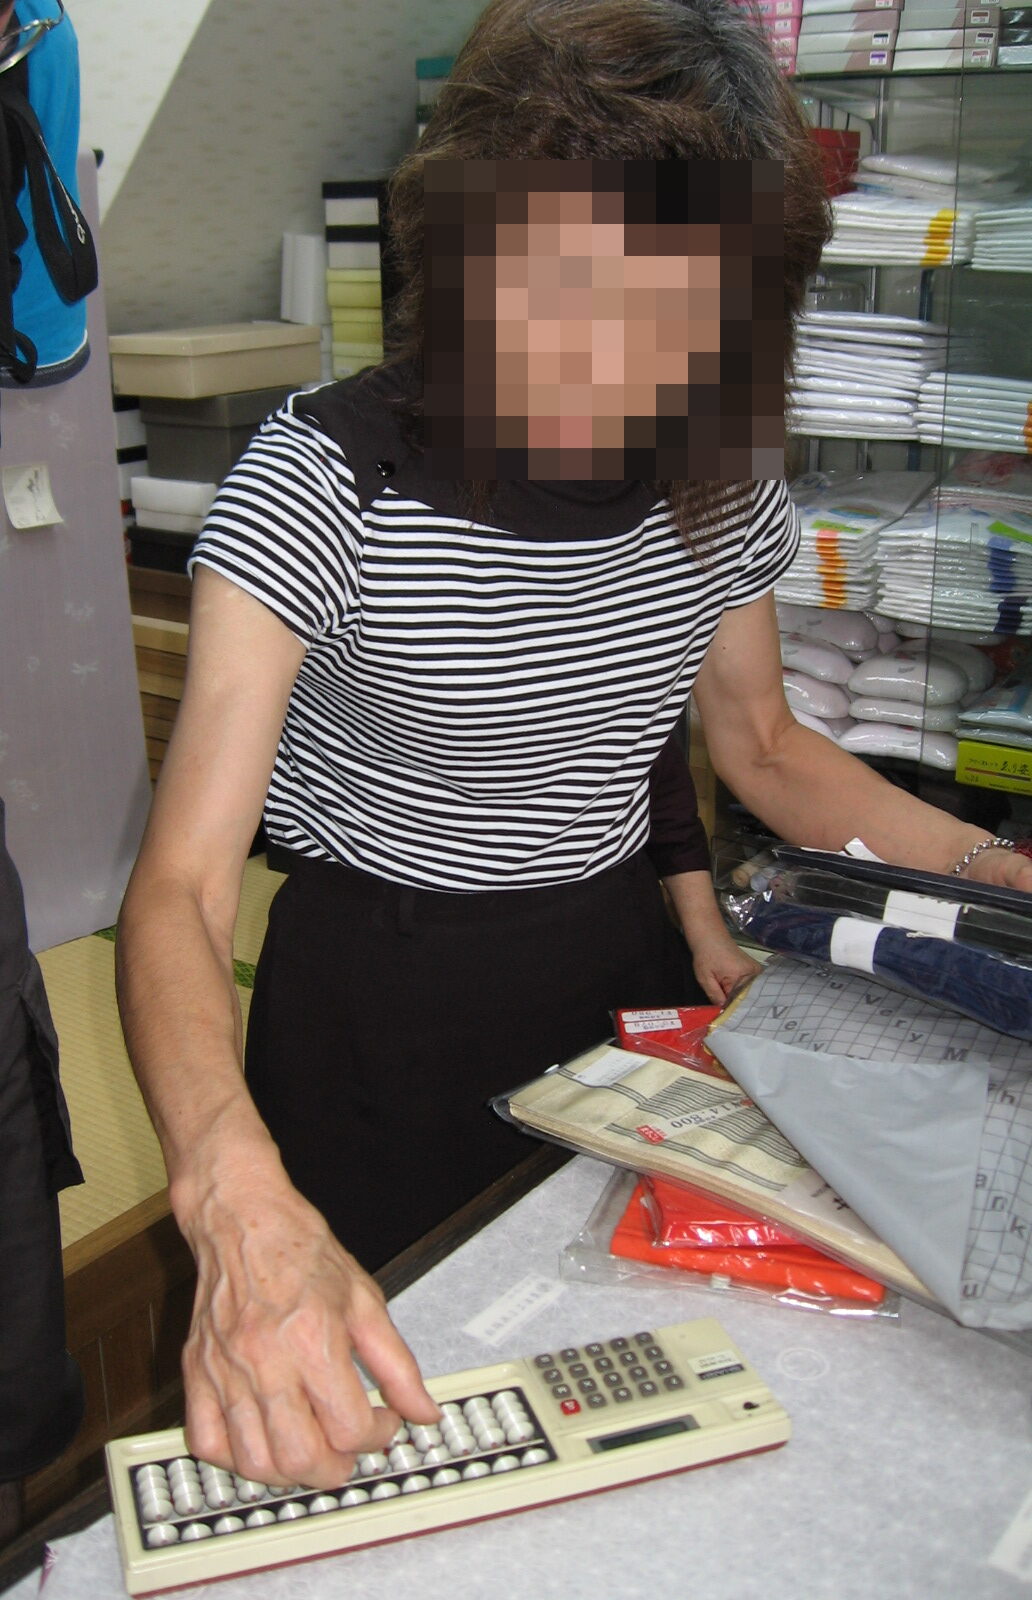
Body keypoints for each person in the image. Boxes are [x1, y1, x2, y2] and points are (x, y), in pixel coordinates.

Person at [115, 0, 1032, 1497]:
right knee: (399, 1420)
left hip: (617, 973)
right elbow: (181, 892)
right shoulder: (325, 477)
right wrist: (229, 1190)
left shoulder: (712, 471)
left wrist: (996, 876)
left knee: (632, 1386)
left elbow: (768, 747)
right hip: (380, 1003)